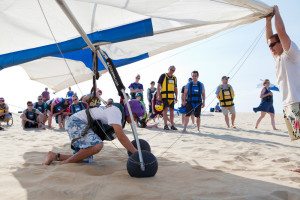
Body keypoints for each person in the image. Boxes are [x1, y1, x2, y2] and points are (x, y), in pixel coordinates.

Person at [43, 104, 137, 165]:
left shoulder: (118, 112)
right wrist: (137, 153)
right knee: (97, 145)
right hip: (76, 121)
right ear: (131, 112)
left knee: (84, 159)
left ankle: (54, 156)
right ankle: (64, 163)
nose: (135, 119)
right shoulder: (116, 111)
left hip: (84, 125)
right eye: (135, 116)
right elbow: (121, 136)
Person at [266, 6, 300, 172]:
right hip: (288, 103)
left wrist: (277, 13)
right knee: (298, 136)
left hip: (298, 99)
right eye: (269, 46)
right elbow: (269, 37)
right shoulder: (277, 58)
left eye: (273, 44)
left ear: (281, 42)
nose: (270, 47)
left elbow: (281, 31)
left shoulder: (292, 53)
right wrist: (267, 21)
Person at [157, 66, 178, 130]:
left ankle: (172, 125)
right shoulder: (163, 75)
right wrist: (159, 95)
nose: (172, 71)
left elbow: (175, 88)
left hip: (171, 96)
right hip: (164, 96)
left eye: (173, 70)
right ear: (168, 69)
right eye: (171, 70)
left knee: (172, 111)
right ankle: (165, 125)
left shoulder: (174, 78)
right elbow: (158, 86)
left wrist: (176, 97)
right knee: (165, 111)